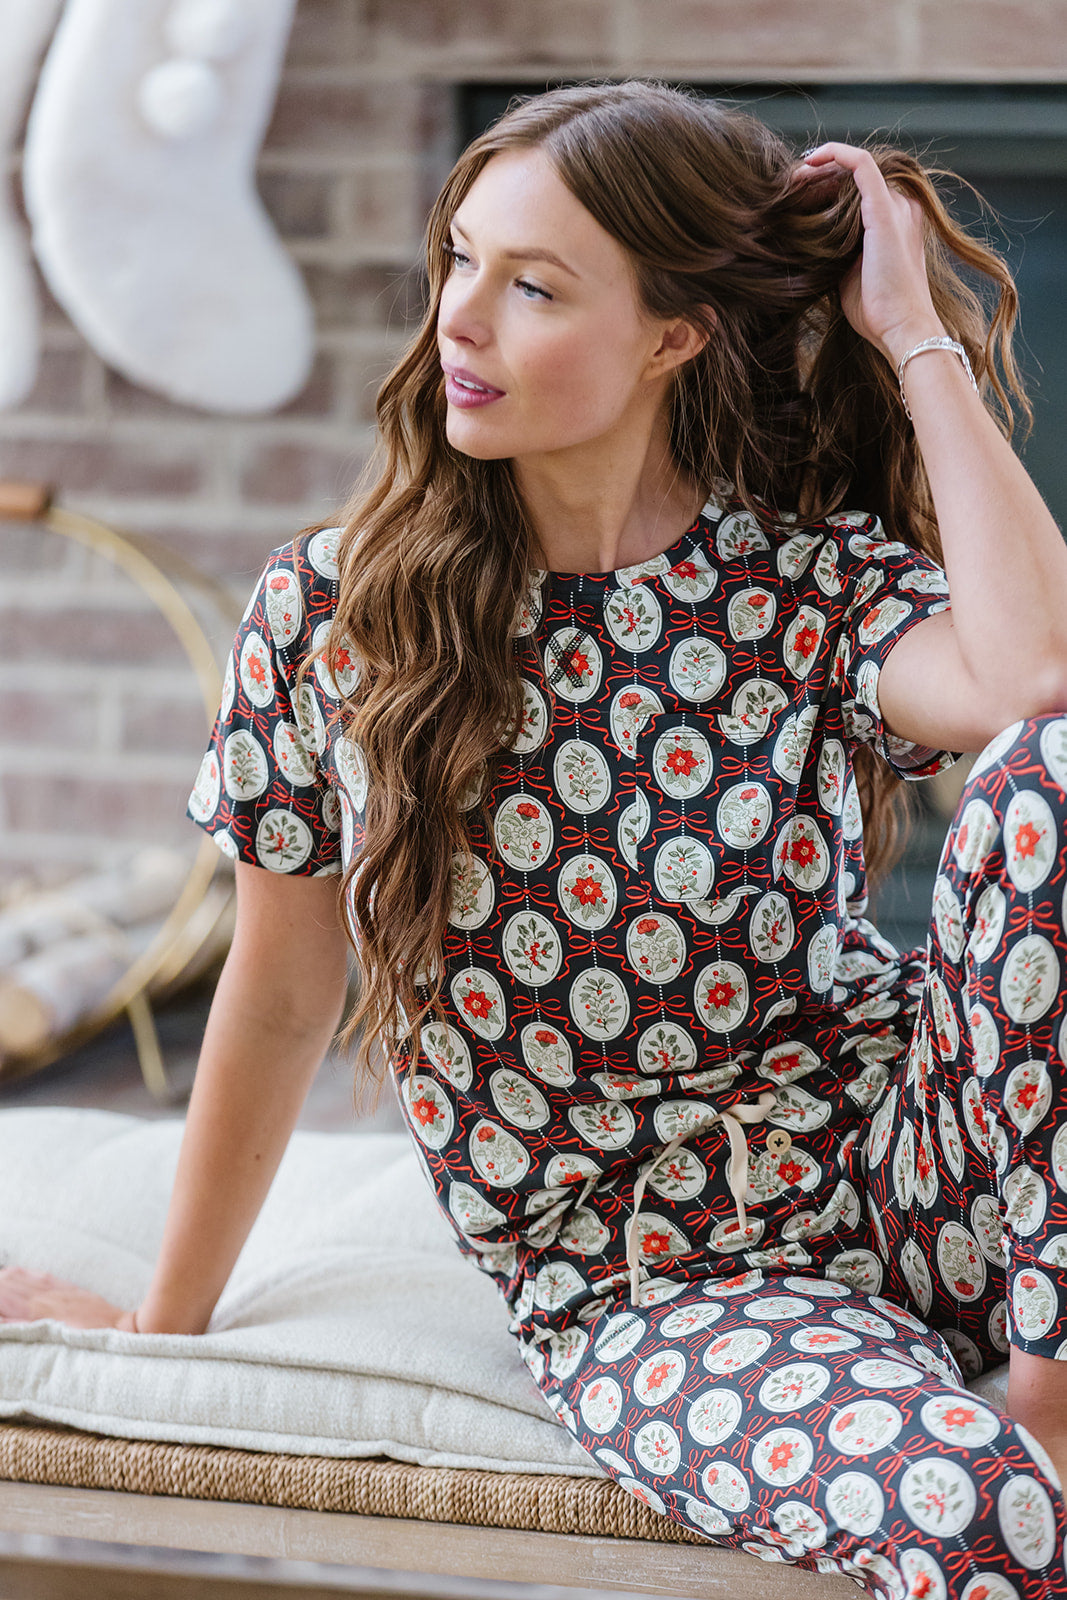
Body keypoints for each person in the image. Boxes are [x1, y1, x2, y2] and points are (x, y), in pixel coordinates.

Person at [4, 79, 1067, 1597]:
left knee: (1054, 772)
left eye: (534, 286)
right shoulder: (331, 616)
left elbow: (1036, 680)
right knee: (973, 1517)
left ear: (674, 337)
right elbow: (281, 991)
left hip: (927, 1166)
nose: (460, 316)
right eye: (461, 260)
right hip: (662, 1284)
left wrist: (912, 333)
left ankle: (1053, 1395)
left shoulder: (798, 581)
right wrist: (160, 1325)